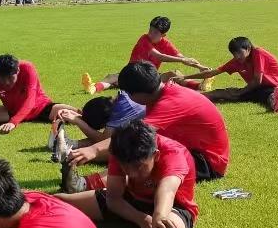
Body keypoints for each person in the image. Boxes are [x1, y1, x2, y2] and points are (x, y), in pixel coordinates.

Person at [56, 120, 195, 228]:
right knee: (63, 203)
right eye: (126, 168)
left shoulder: (174, 154)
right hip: (132, 199)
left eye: (139, 167)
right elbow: (113, 198)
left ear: (156, 155)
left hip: (174, 207)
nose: (132, 174)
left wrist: (157, 218)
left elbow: (167, 191)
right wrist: (142, 220)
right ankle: (32, 199)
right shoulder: (121, 152)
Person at [66, 62, 229, 180]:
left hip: (207, 162)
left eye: (129, 94)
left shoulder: (170, 102)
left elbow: (132, 135)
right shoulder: (161, 94)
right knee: (132, 148)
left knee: (141, 159)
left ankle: (85, 184)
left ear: (139, 93)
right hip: (187, 147)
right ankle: (75, 158)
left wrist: (93, 150)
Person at [82, 16, 207, 95]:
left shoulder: (166, 43)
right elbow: (160, 56)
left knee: (174, 74)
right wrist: (182, 60)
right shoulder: (144, 39)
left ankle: (200, 85)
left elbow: (183, 57)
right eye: (150, 30)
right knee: (112, 78)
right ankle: (93, 88)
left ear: (163, 35)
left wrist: (200, 67)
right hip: (135, 74)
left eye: (155, 32)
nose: (151, 34)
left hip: (146, 77)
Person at [179, 37, 278, 112]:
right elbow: (211, 73)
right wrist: (184, 77)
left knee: (270, 96)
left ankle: (277, 101)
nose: (237, 57)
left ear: (248, 49)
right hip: (255, 89)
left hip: (273, 87)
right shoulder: (236, 62)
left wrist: (241, 92)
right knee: (223, 93)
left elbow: (257, 80)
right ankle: (193, 97)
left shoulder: (258, 53)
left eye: (239, 53)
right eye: (234, 54)